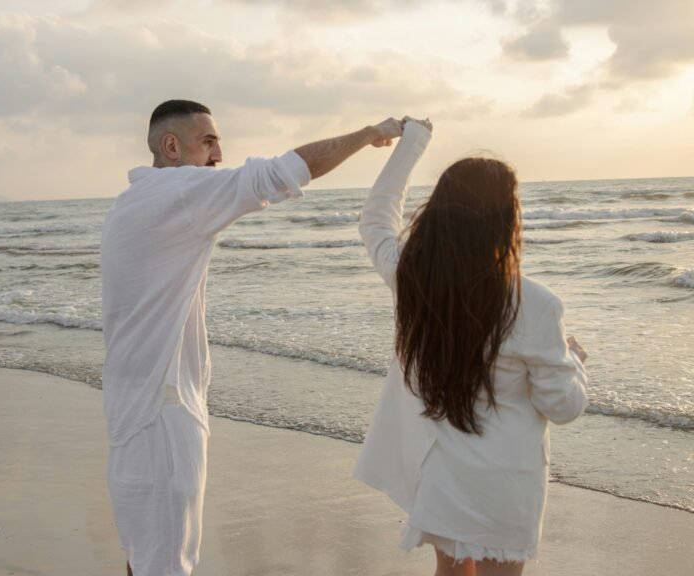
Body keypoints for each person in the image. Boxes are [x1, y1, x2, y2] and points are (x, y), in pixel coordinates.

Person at [100, 99, 404, 576]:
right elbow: (282, 173)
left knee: (146, 553)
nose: (220, 152)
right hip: (163, 410)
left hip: (134, 410)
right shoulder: (180, 191)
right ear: (172, 147)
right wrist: (369, 133)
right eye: (209, 141)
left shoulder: (133, 200)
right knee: (166, 561)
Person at [353, 118, 588, 576]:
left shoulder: (412, 279)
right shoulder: (534, 304)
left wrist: (413, 142)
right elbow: (561, 405)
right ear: (505, 221)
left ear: (440, 212)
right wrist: (574, 359)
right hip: (504, 481)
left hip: (442, 474)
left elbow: (376, 218)